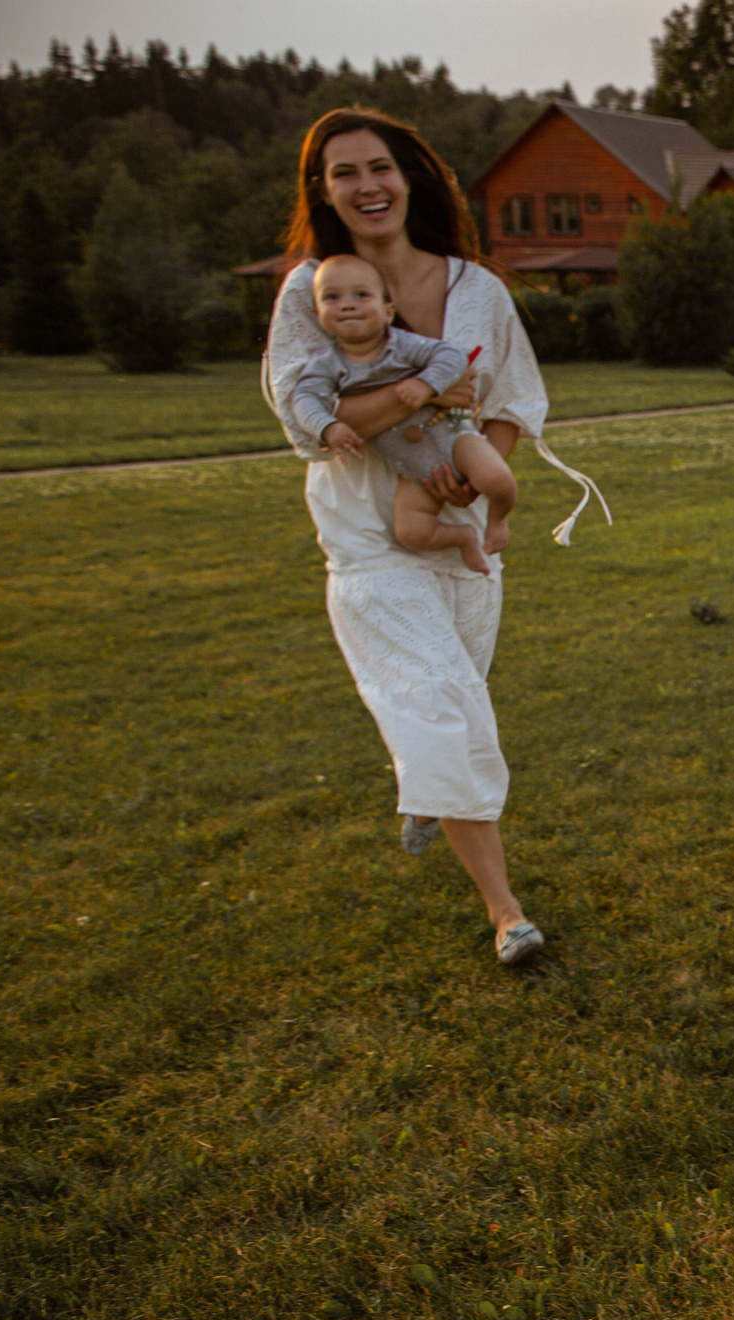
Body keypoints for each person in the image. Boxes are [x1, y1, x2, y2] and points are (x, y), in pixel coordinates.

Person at [262, 107, 605, 967]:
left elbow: (513, 400)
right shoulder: (311, 291)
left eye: (380, 166)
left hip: (461, 532)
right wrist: (417, 397)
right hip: (370, 538)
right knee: (444, 703)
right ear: (324, 190)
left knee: (450, 699)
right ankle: (506, 912)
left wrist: (473, 467)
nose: (366, 185)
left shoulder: (477, 290)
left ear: (411, 176)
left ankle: (424, 783)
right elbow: (307, 422)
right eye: (344, 173)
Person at [291, 253, 517, 577]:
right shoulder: (326, 365)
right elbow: (304, 399)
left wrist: (426, 384)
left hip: (452, 437)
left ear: (388, 311)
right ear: (318, 314)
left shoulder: (402, 344)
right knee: (411, 533)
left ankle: (497, 519)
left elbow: (450, 356)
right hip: (412, 467)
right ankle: (463, 538)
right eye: (332, 298)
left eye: (362, 295)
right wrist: (328, 427)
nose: (347, 304)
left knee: (497, 479)